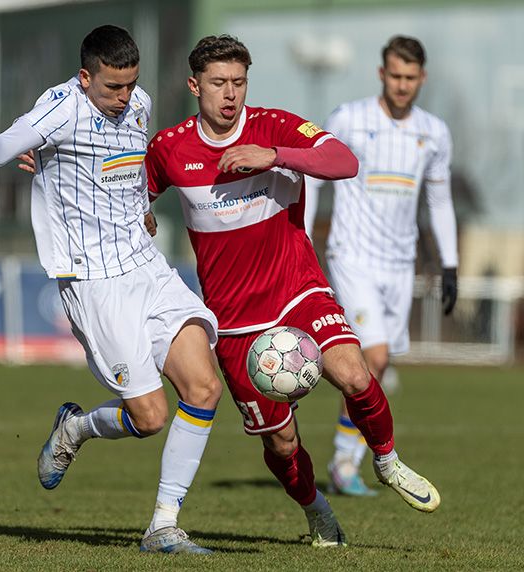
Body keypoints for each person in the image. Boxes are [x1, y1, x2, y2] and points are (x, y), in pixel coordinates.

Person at [0, 25, 223, 554]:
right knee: (151, 417)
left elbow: (128, 163)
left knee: (205, 387)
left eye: (130, 84)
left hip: (146, 266)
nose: (124, 97)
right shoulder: (61, 107)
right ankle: (76, 428)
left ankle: (163, 526)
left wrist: (140, 206)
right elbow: (8, 142)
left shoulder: (136, 102)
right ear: (85, 76)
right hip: (93, 281)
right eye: (112, 87)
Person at [144, 35, 441, 548]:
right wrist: (138, 212)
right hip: (235, 321)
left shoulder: (275, 126)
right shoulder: (171, 147)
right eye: (218, 83)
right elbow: (131, 191)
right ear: (195, 86)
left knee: (354, 371)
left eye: (239, 81)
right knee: (282, 444)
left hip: (296, 289)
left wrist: (275, 155)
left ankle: (388, 463)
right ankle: (318, 512)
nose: (230, 93)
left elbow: (344, 161)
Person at [304, 36, 458, 497]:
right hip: (351, 256)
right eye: (395, 76)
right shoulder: (349, 118)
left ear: (422, 78)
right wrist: (304, 236)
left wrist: (450, 263)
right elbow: (313, 174)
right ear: (381, 74)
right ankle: (345, 463)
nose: (402, 85)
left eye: (411, 78)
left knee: (380, 360)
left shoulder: (434, 132)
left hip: (399, 262)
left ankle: (342, 460)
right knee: (372, 358)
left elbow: (439, 199)